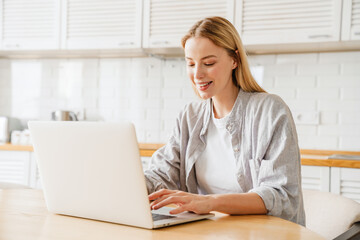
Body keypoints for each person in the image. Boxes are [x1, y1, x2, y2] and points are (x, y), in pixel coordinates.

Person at [144, 16, 305, 226]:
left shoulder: (269, 110)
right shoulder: (190, 116)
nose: (197, 74)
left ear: (234, 60)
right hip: (210, 231)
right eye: (190, 64)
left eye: (208, 63)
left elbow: (281, 195)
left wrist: (208, 202)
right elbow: (160, 174)